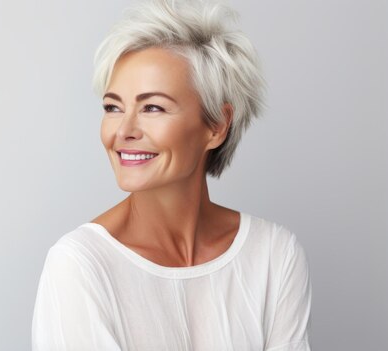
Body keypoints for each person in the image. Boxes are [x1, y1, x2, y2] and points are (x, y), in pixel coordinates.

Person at [31, 0, 312, 349]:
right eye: (113, 107)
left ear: (217, 125)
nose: (124, 130)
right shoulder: (80, 265)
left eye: (152, 107)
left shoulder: (273, 255)